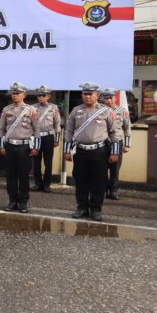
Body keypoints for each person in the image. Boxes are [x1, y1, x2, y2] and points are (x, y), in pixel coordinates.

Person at [64, 83, 122, 221]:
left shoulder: (106, 111)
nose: (87, 96)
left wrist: (115, 153)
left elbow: (114, 133)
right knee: (81, 180)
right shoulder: (76, 111)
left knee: (99, 182)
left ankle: (96, 209)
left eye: (90, 94)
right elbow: (69, 132)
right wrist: (67, 151)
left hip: (100, 152)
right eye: (85, 94)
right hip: (81, 151)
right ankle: (82, 208)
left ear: (97, 95)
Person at [0, 82, 41, 213]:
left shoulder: (31, 110)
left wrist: (36, 147)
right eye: (13, 93)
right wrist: (1, 146)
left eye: (17, 93)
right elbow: (1, 129)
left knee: (23, 176)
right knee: (10, 176)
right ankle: (12, 201)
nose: (15, 95)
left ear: (24, 94)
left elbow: (36, 128)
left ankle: (23, 202)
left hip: (24, 147)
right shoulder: (6, 109)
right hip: (10, 146)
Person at [102, 89, 131, 200]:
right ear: (103, 99)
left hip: (117, 143)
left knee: (115, 168)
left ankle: (113, 191)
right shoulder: (100, 111)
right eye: (106, 98)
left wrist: (127, 145)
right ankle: (103, 190)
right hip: (103, 143)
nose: (109, 100)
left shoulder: (122, 111)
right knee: (102, 168)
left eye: (111, 98)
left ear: (115, 98)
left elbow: (127, 128)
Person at [32, 85, 61, 192]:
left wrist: (56, 139)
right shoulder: (32, 108)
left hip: (49, 137)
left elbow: (57, 124)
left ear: (48, 96)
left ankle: (47, 184)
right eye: (39, 95)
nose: (41, 97)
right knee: (36, 162)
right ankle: (37, 183)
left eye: (43, 95)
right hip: (36, 137)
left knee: (48, 162)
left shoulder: (53, 108)